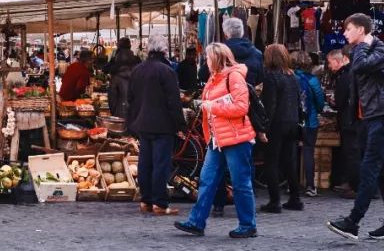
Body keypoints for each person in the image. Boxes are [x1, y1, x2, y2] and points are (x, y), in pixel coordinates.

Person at [327, 14, 384, 241]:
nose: (344, 33)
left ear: (361, 29)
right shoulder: (365, 49)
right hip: (368, 117)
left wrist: (361, 44)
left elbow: (359, 66)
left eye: (348, 29)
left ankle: (353, 221)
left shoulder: (381, 49)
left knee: (370, 168)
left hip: (380, 114)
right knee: (382, 172)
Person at [173, 42, 257, 239]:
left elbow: (241, 107)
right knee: (207, 180)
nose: (206, 62)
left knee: (240, 183)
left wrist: (211, 106)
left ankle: (247, 225)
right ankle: (196, 222)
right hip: (217, 138)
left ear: (218, 59)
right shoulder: (214, 78)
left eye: (209, 58)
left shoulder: (234, 76)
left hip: (235, 138)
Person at [127, 35, 186, 216]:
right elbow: (173, 102)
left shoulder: (138, 70)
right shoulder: (166, 71)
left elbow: (131, 98)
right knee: (161, 164)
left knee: (145, 162)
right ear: (164, 50)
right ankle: (159, 203)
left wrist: (134, 121)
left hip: (143, 123)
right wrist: (180, 125)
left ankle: (146, 200)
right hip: (162, 125)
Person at [259, 45, 303, 213]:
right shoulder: (293, 76)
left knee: (271, 163)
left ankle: (274, 201)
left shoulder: (271, 77)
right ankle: (295, 198)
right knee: (289, 162)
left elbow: (270, 106)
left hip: (277, 124)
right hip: (292, 122)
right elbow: (299, 102)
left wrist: (263, 128)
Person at [294, 50, 326, 197]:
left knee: (292, 152)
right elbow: (320, 103)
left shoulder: (290, 78)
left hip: (293, 121)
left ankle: (292, 185)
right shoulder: (313, 80)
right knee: (308, 152)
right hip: (309, 121)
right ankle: (310, 186)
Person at [328, 47, 359, 196]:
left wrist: (334, 102)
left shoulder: (346, 75)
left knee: (351, 152)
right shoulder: (353, 73)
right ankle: (353, 183)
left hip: (349, 119)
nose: (329, 66)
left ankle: (354, 185)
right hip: (354, 119)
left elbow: (340, 100)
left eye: (330, 62)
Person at [222, 17, 263, 86]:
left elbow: (203, 75)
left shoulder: (218, 53)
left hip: (223, 94)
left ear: (225, 34)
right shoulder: (257, 53)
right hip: (248, 93)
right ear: (242, 32)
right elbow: (260, 78)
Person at [108, 38, 139, 118]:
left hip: (120, 112)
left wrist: (114, 112)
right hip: (137, 112)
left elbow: (112, 97)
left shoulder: (116, 71)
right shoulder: (138, 65)